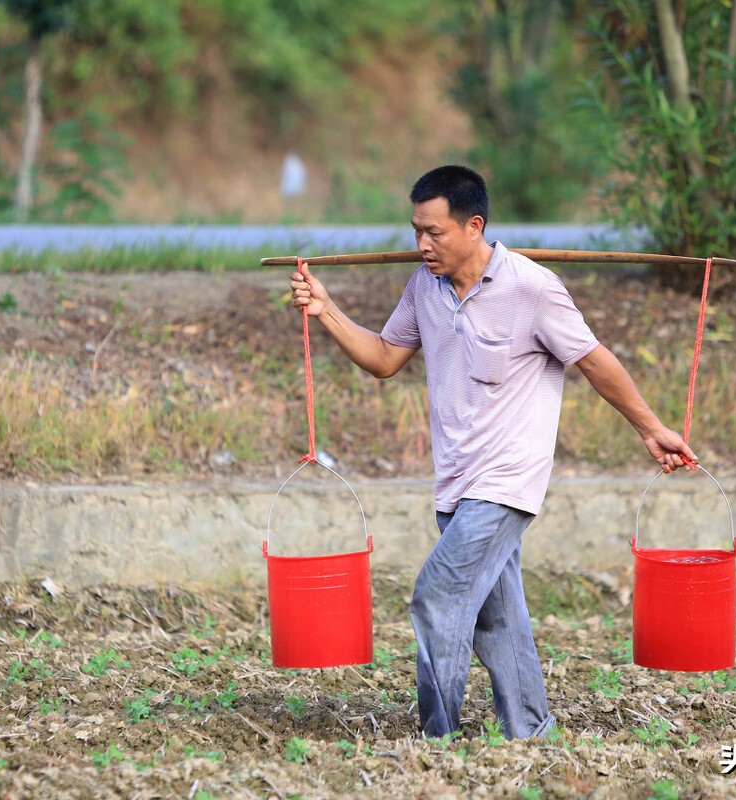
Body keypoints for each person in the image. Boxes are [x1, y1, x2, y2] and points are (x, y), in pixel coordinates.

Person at [289, 165, 697, 741]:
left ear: (474, 226)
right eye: (416, 231)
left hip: (507, 481)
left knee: (437, 597)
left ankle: (436, 739)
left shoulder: (533, 288)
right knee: (497, 619)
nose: (422, 244)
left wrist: (650, 429)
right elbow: (383, 358)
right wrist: (326, 309)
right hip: (455, 481)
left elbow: (594, 360)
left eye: (435, 232)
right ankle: (530, 731)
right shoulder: (424, 288)